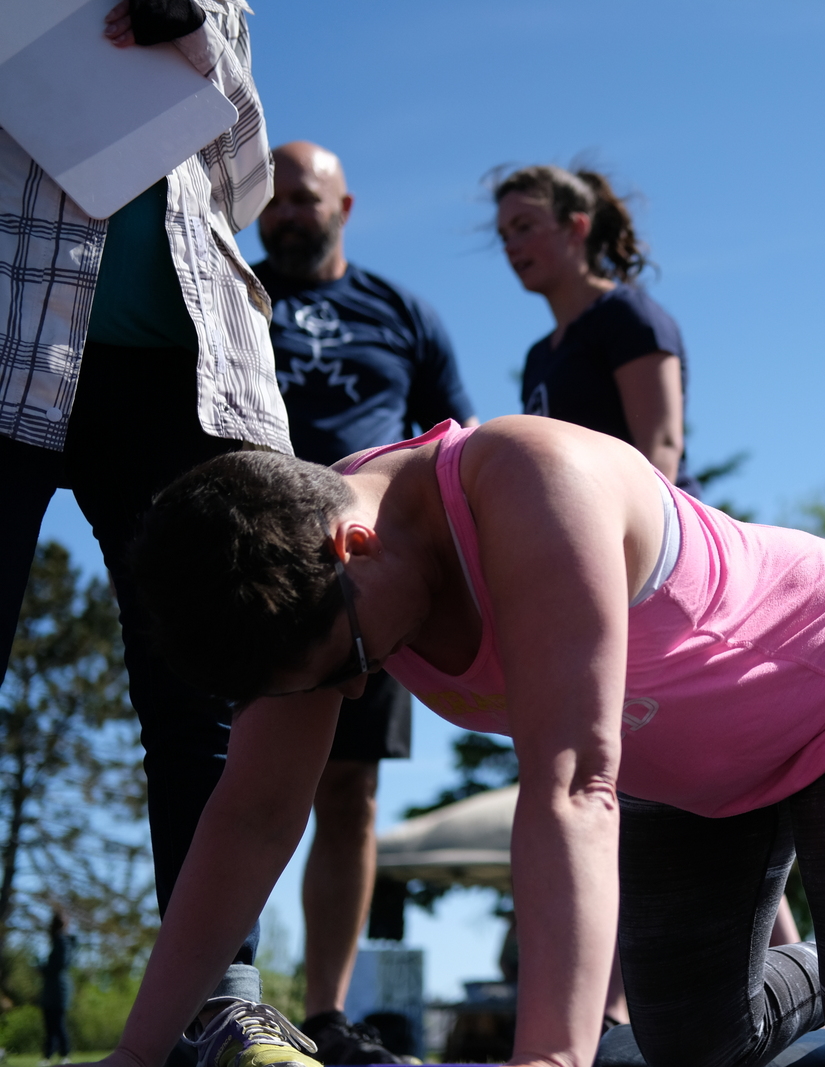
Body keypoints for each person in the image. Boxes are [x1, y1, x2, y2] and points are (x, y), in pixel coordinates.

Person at [121, 415, 825, 1067]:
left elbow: (573, 786)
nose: (351, 687)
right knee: (699, 1051)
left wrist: (548, 1057)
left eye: (351, 660)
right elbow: (249, 818)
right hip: (690, 779)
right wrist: (136, 1054)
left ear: (356, 544)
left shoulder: (527, 484)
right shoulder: (295, 576)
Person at [0, 0, 288, 1041]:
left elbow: (243, 184)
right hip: (9, 347)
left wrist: (196, 39)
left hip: (191, 380)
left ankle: (219, 1001)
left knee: (201, 692)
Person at [252, 140, 477, 1063]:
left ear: (344, 203)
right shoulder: (233, 289)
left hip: (365, 571)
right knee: (226, 778)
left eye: (302, 199)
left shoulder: (400, 311)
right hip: (250, 567)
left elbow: (452, 440)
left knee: (350, 793)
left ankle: (324, 1013)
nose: (285, 215)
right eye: (270, 203)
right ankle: (212, 995)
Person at [494, 165, 699, 493]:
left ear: (576, 228)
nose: (510, 246)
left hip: (652, 535)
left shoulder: (627, 315)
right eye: (504, 235)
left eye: (524, 227)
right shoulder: (538, 357)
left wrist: (629, 541)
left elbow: (660, 450)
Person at [41, 908, 76, 1063]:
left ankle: (64, 1055)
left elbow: (60, 964)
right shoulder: (60, 940)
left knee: (57, 1024)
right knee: (50, 1024)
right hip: (52, 989)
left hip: (58, 990)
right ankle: (48, 1056)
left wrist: (44, 969)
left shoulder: (62, 941)